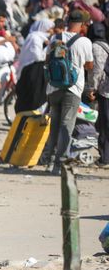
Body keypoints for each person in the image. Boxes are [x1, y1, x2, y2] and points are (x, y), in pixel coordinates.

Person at [41, 10, 94, 174]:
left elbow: (46, 60)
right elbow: (89, 66)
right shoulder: (84, 41)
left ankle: (49, 161)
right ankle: (60, 163)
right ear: (81, 25)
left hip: (54, 88)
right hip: (73, 88)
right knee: (66, 126)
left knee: (54, 125)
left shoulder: (55, 38)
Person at [15, 19, 54, 113]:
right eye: (50, 29)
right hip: (31, 71)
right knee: (30, 98)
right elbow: (37, 56)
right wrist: (48, 51)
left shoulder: (42, 39)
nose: (52, 31)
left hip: (37, 72)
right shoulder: (34, 38)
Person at [88, 27, 109, 167]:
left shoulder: (95, 47)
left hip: (105, 91)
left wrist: (92, 88)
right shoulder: (106, 45)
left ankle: (105, 158)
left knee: (105, 124)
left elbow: (97, 71)